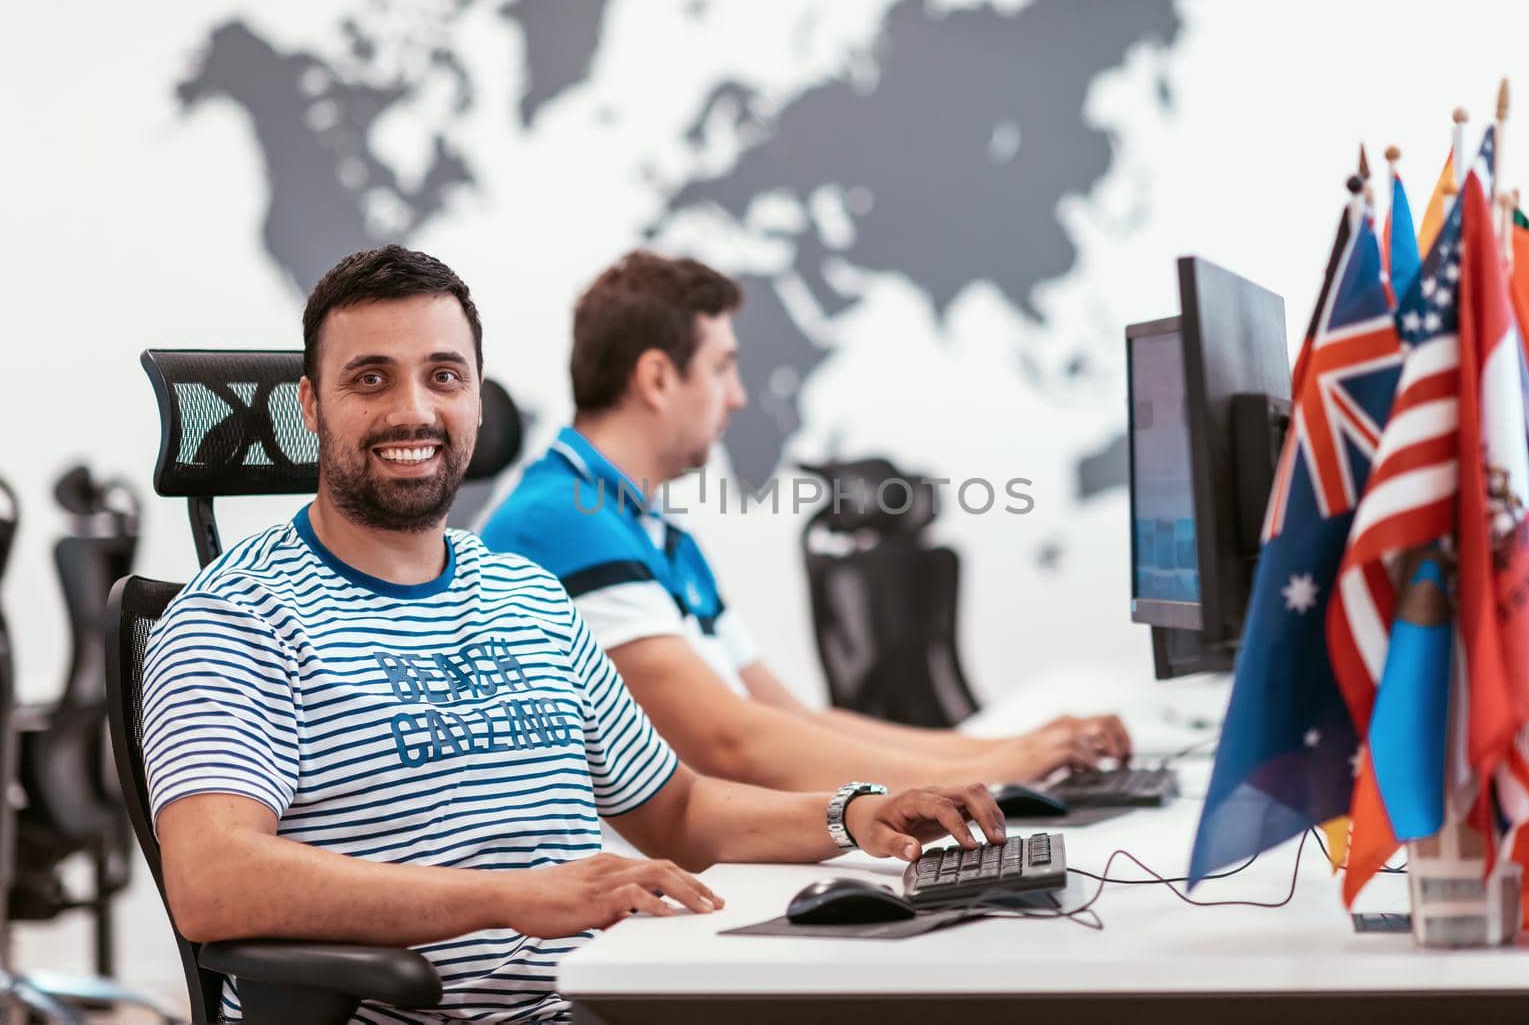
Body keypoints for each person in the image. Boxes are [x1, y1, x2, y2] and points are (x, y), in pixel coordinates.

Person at [141, 245, 1006, 1023]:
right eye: (371, 379)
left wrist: (856, 812)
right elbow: (214, 880)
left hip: (615, 997)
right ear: (310, 406)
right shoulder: (236, 614)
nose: (414, 410)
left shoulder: (528, 596)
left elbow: (677, 807)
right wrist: (510, 898)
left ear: (477, 399)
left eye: (444, 376)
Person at [481, 250, 1131, 794]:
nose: (737, 395)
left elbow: (787, 718)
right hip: (618, 915)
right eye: (722, 366)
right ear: (656, 377)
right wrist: (996, 770)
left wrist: (1015, 748)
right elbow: (726, 744)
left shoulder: (650, 527)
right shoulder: (560, 520)